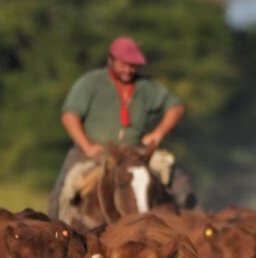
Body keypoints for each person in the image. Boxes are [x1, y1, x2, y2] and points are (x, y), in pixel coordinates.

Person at [48, 36, 187, 218]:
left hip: (136, 152)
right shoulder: (91, 82)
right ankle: (55, 236)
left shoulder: (146, 86)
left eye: (133, 66)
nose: (129, 70)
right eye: (124, 64)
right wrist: (87, 146)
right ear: (110, 60)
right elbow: (69, 116)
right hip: (93, 151)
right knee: (62, 193)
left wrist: (158, 133)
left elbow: (175, 107)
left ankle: (195, 233)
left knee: (179, 183)